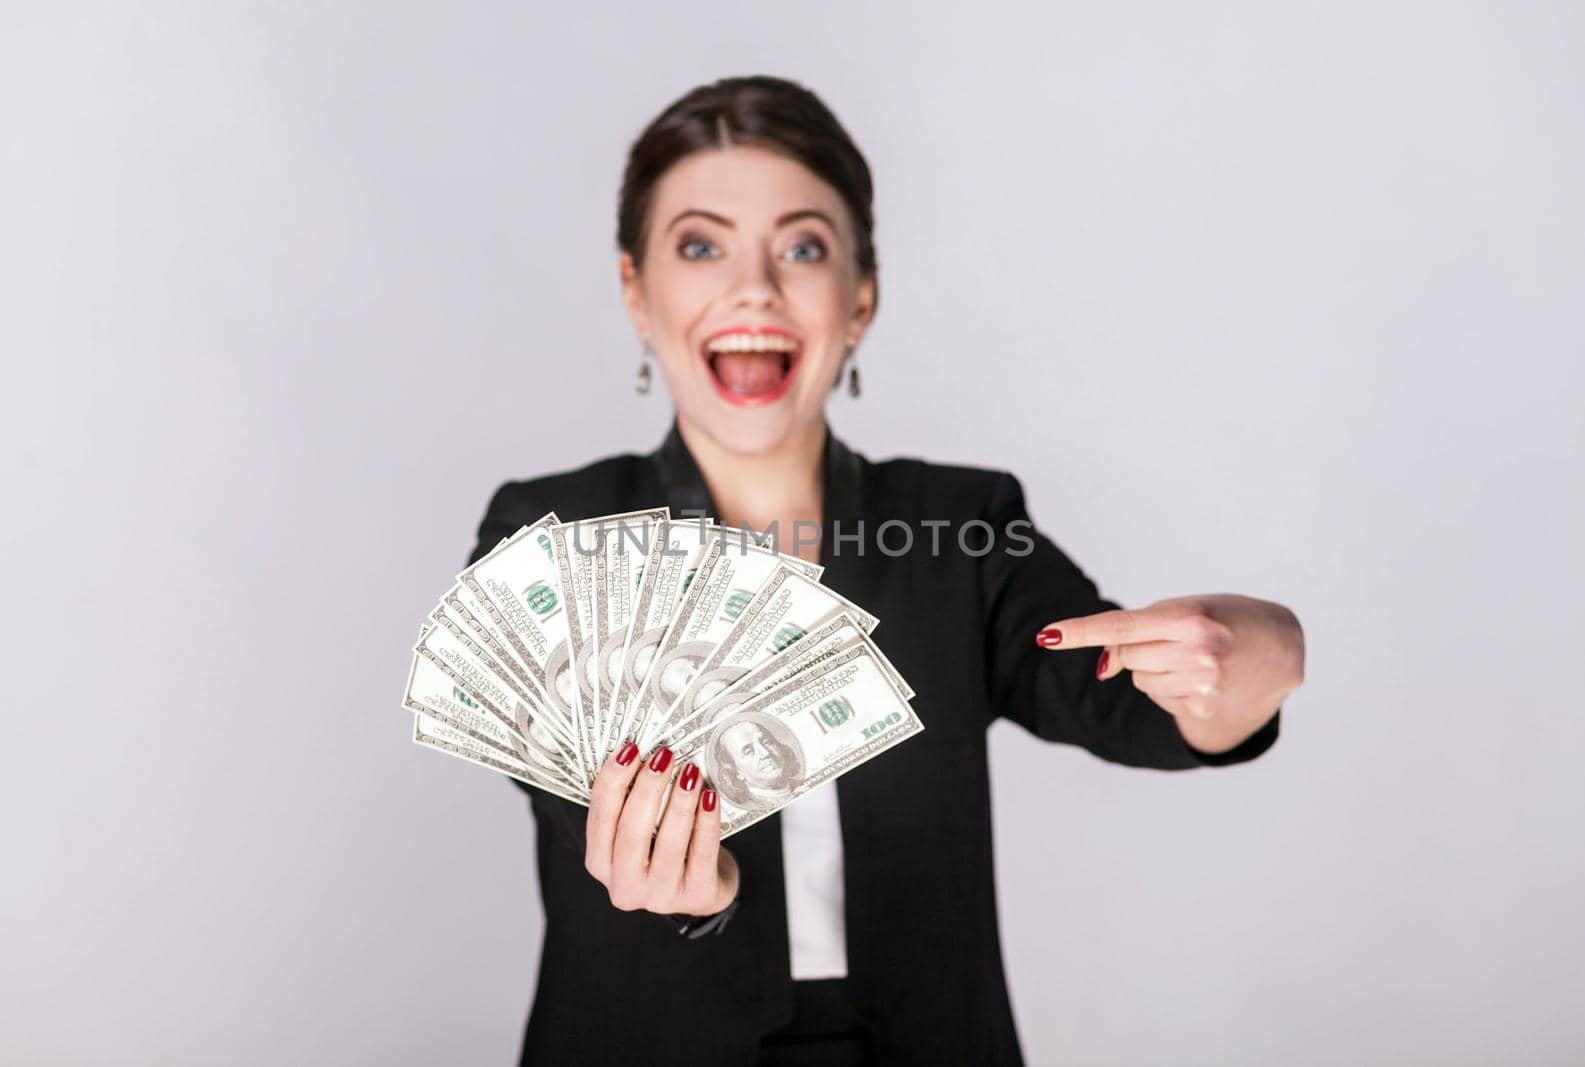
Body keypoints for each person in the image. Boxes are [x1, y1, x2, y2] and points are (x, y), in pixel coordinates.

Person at [465, 74, 1306, 1066]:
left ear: (859, 296)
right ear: (635, 292)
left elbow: (1147, 707)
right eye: (700, 245)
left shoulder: (959, 525)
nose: (754, 287)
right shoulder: (550, 536)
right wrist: (660, 868)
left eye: (803, 246)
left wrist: (1263, 651)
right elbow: (562, 788)